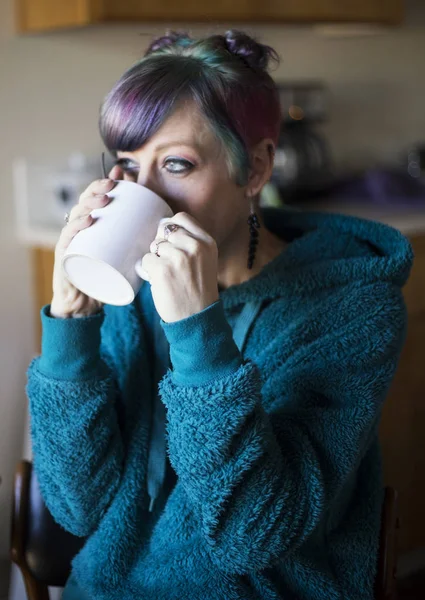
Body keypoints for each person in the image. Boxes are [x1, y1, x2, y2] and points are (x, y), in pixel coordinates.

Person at [26, 30, 413, 600]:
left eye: (177, 164)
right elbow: (76, 507)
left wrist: (196, 331)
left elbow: (252, 537)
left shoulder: (353, 307)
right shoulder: (128, 290)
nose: (146, 194)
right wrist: (69, 327)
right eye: (130, 166)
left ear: (254, 170)